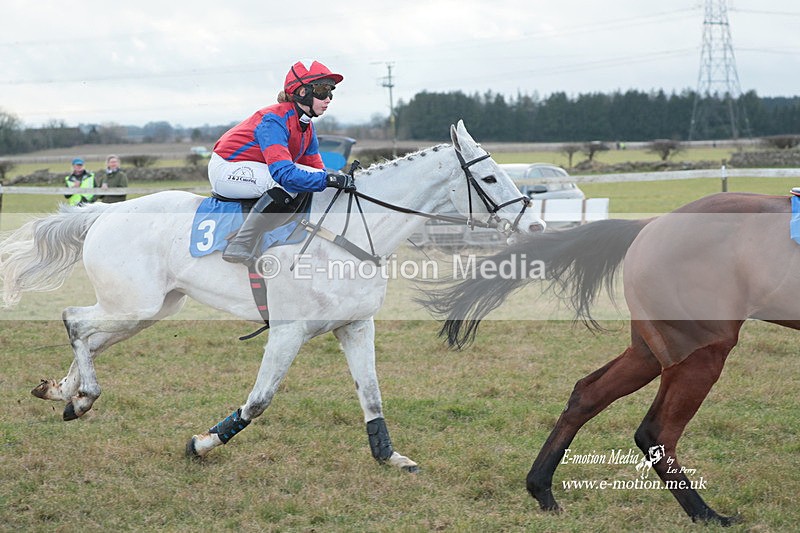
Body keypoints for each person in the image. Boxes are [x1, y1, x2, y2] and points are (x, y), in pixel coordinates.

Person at [208, 59, 355, 264]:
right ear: (302, 92)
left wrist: (335, 179)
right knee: (286, 183)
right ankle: (240, 243)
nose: (328, 98)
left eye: (331, 91)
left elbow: (317, 170)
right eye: (322, 90)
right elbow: (284, 175)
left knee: (317, 179)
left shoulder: (307, 127)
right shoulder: (273, 120)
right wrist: (326, 179)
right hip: (227, 168)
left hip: (257, 167)